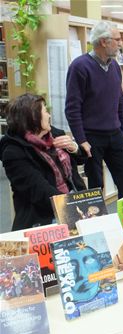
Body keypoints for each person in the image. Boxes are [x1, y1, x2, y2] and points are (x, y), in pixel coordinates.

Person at [65, 21, 123, 199]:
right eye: (117, 39)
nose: (121, 43)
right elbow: (72, 108)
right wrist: (81, 139)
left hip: (115, 134)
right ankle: (95, 225)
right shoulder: (80, 66)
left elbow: (120, 102)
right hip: (91, 137)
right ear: (104, 41)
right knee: (95, 188)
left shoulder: (115, 67)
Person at [0, 94, 86, 231]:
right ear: (33, 117)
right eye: (45, 111)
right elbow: (41, 193)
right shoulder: (13, 152)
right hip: (43, 218)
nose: (49, 115)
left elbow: (81, 159)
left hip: (72, 203)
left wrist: (74, 147)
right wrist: (77, 205)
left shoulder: (54, 134)